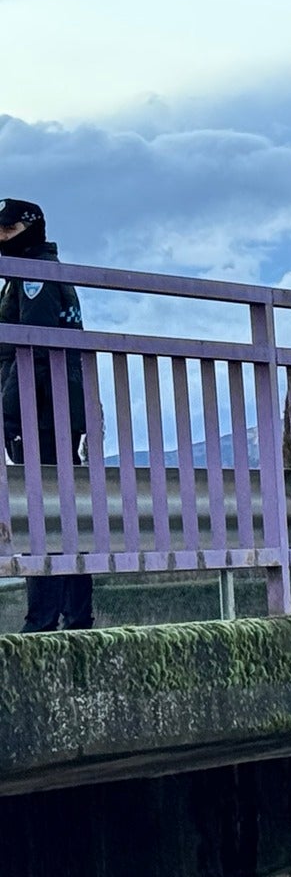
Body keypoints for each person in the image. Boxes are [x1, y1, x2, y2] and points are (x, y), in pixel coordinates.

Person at [1, 199, 94, 632]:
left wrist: (14, 413)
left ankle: (42, 620)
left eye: (7, 229)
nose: (1, 237)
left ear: (28, 228)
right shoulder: (36, 271)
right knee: (64, 510)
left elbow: (33, 349)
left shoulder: (34, 275)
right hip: (55, 406)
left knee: (44, 513)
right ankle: (76, 617)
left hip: (40, 409)